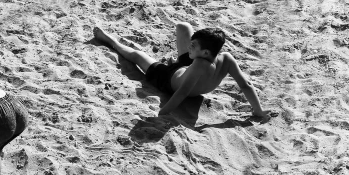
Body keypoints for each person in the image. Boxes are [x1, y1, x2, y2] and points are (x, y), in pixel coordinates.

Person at [94, 23, 268, 118]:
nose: (189, 47)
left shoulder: (200, 64)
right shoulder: (225, 58)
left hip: (167, 78)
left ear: (206, 52)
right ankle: (177, 61)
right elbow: (246, 86)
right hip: (186, 68)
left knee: (138, 56)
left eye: (193, 46)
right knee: (183, 27)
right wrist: (258, 111)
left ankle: (110, 41)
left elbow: (182, 92)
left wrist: (163, 112)